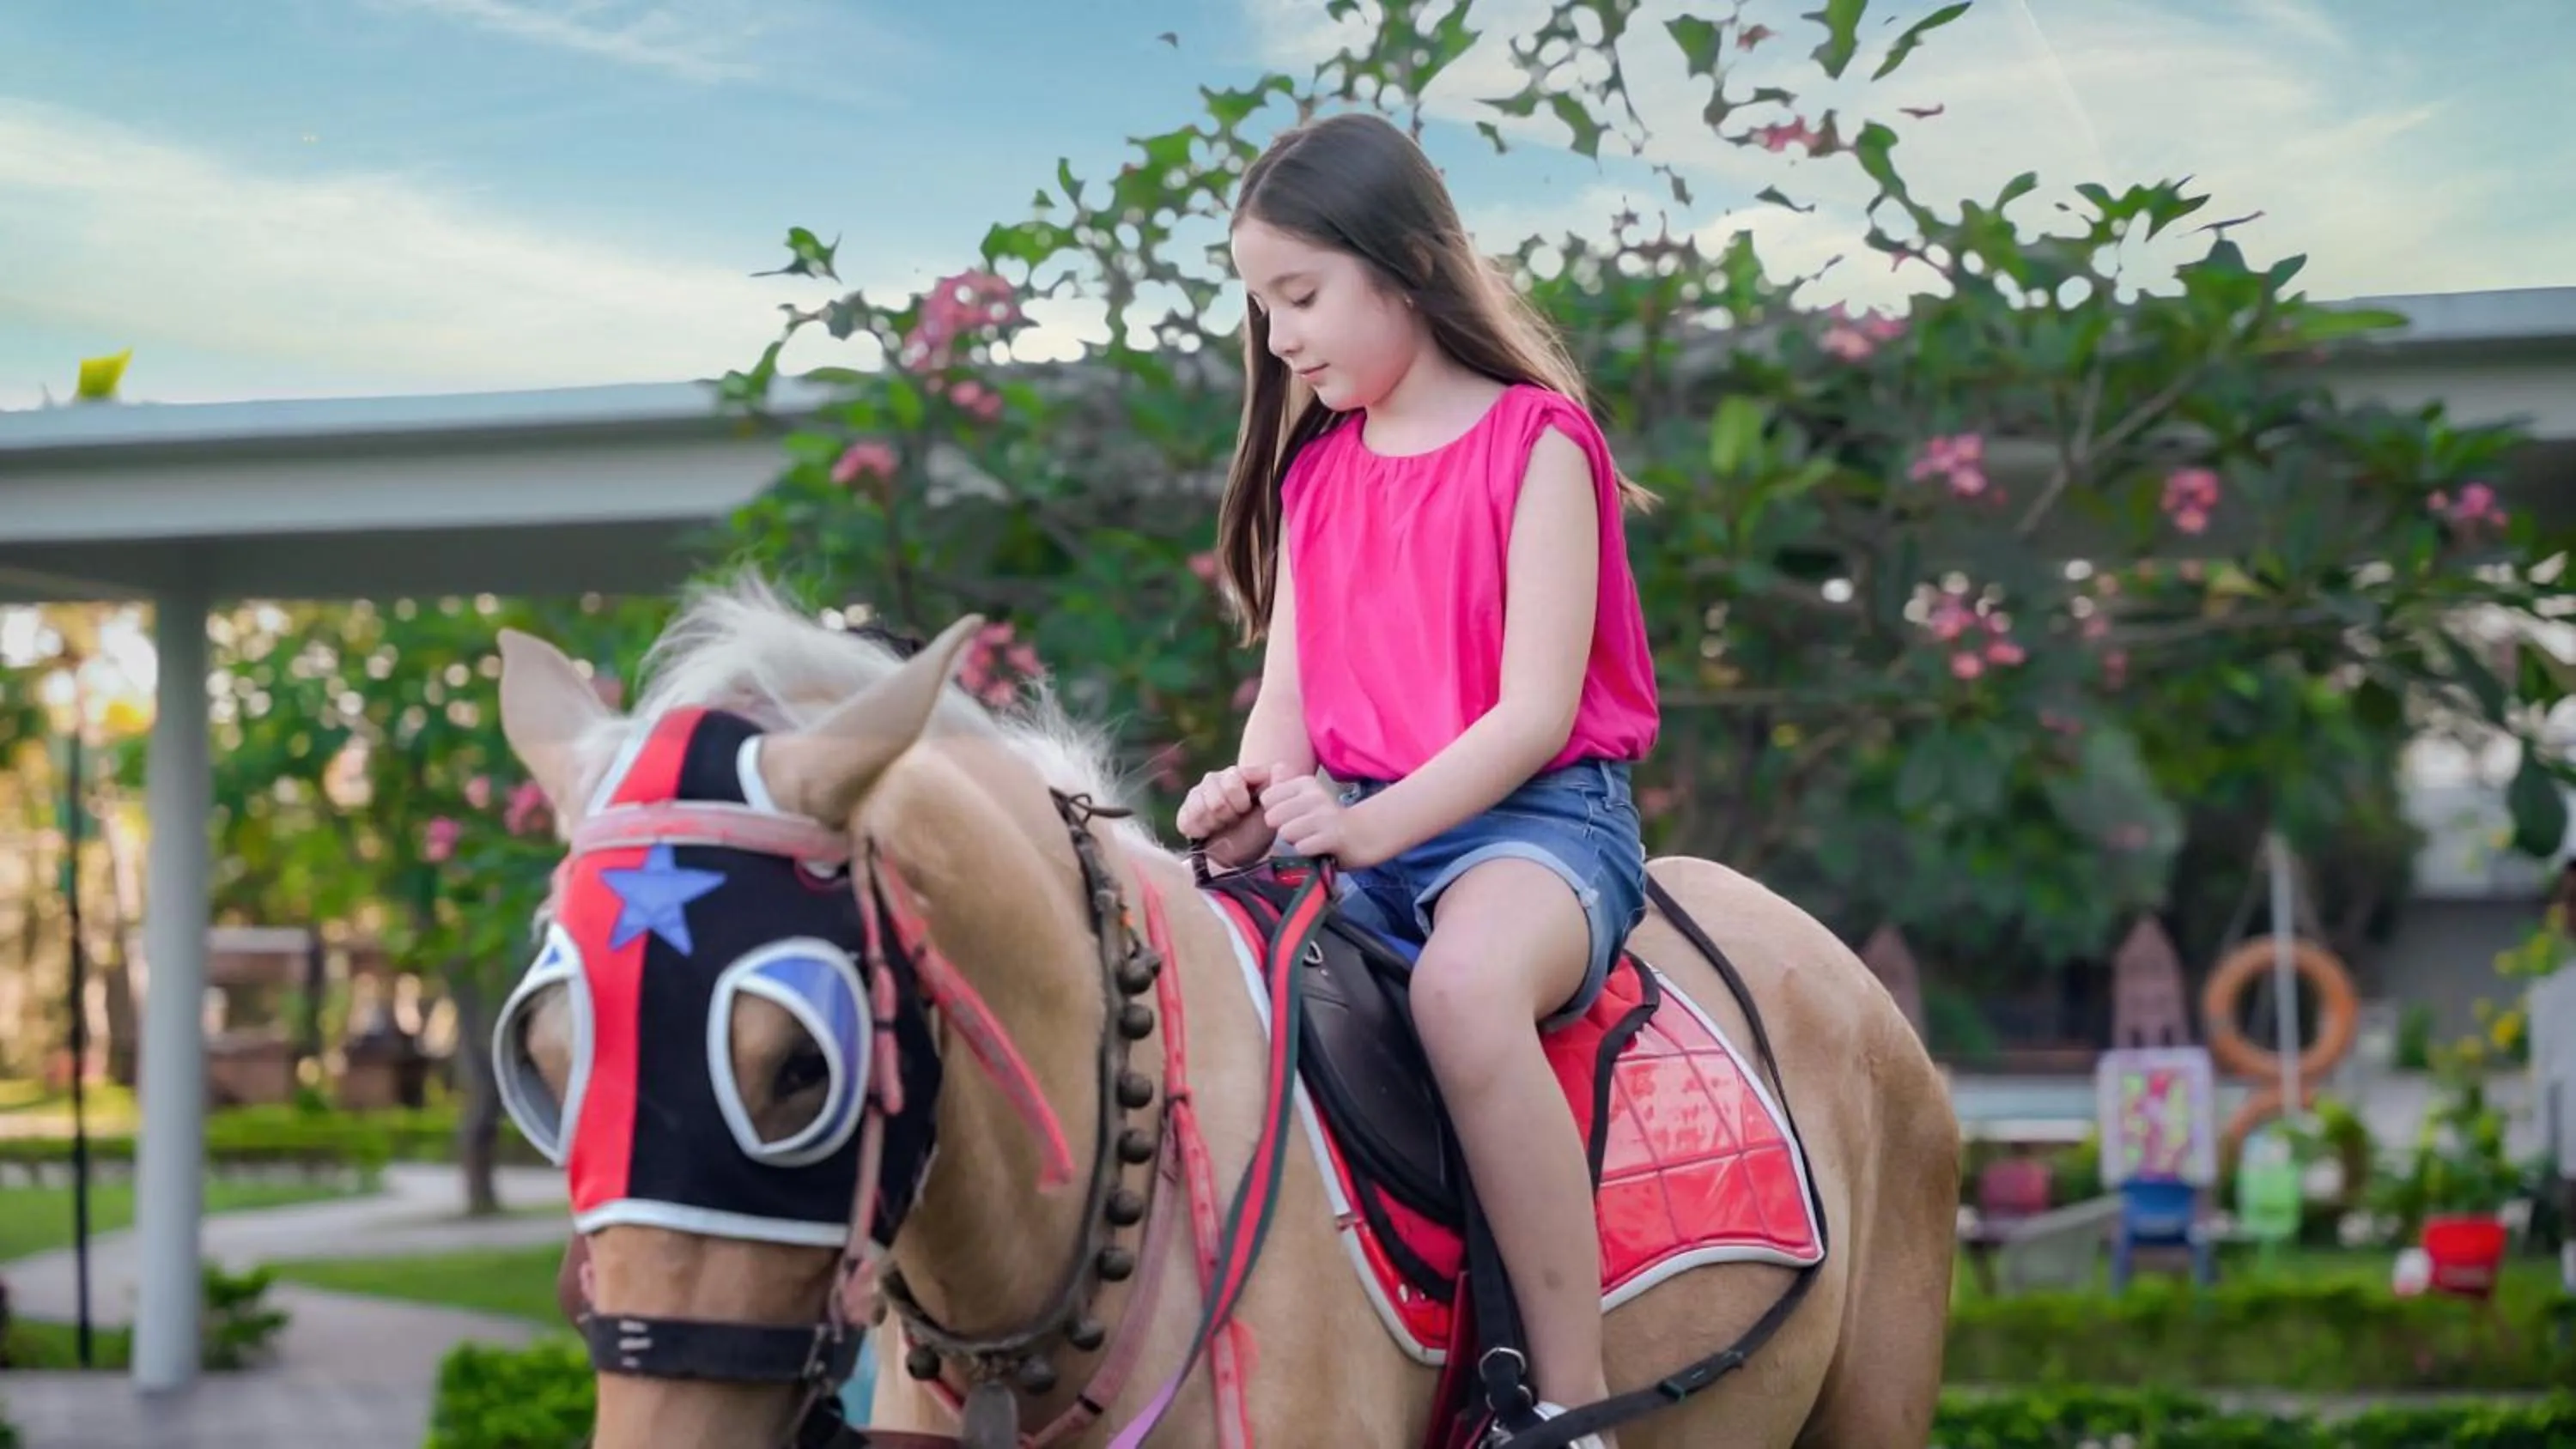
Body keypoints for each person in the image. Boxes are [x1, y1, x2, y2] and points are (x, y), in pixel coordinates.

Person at [1175, 110, 1660, 1446]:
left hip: (1538, 830)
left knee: (1461, 988)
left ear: (1401, 265)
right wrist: (1244, 798)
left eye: (1300, 296)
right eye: (1262, 308)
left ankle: (1568, 1401)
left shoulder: (1539, 443)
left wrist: (1359, 823)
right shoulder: (1318, 479)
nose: (1279, 339)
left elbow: (1530, 715)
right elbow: (1286, 712)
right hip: (1360, 837)